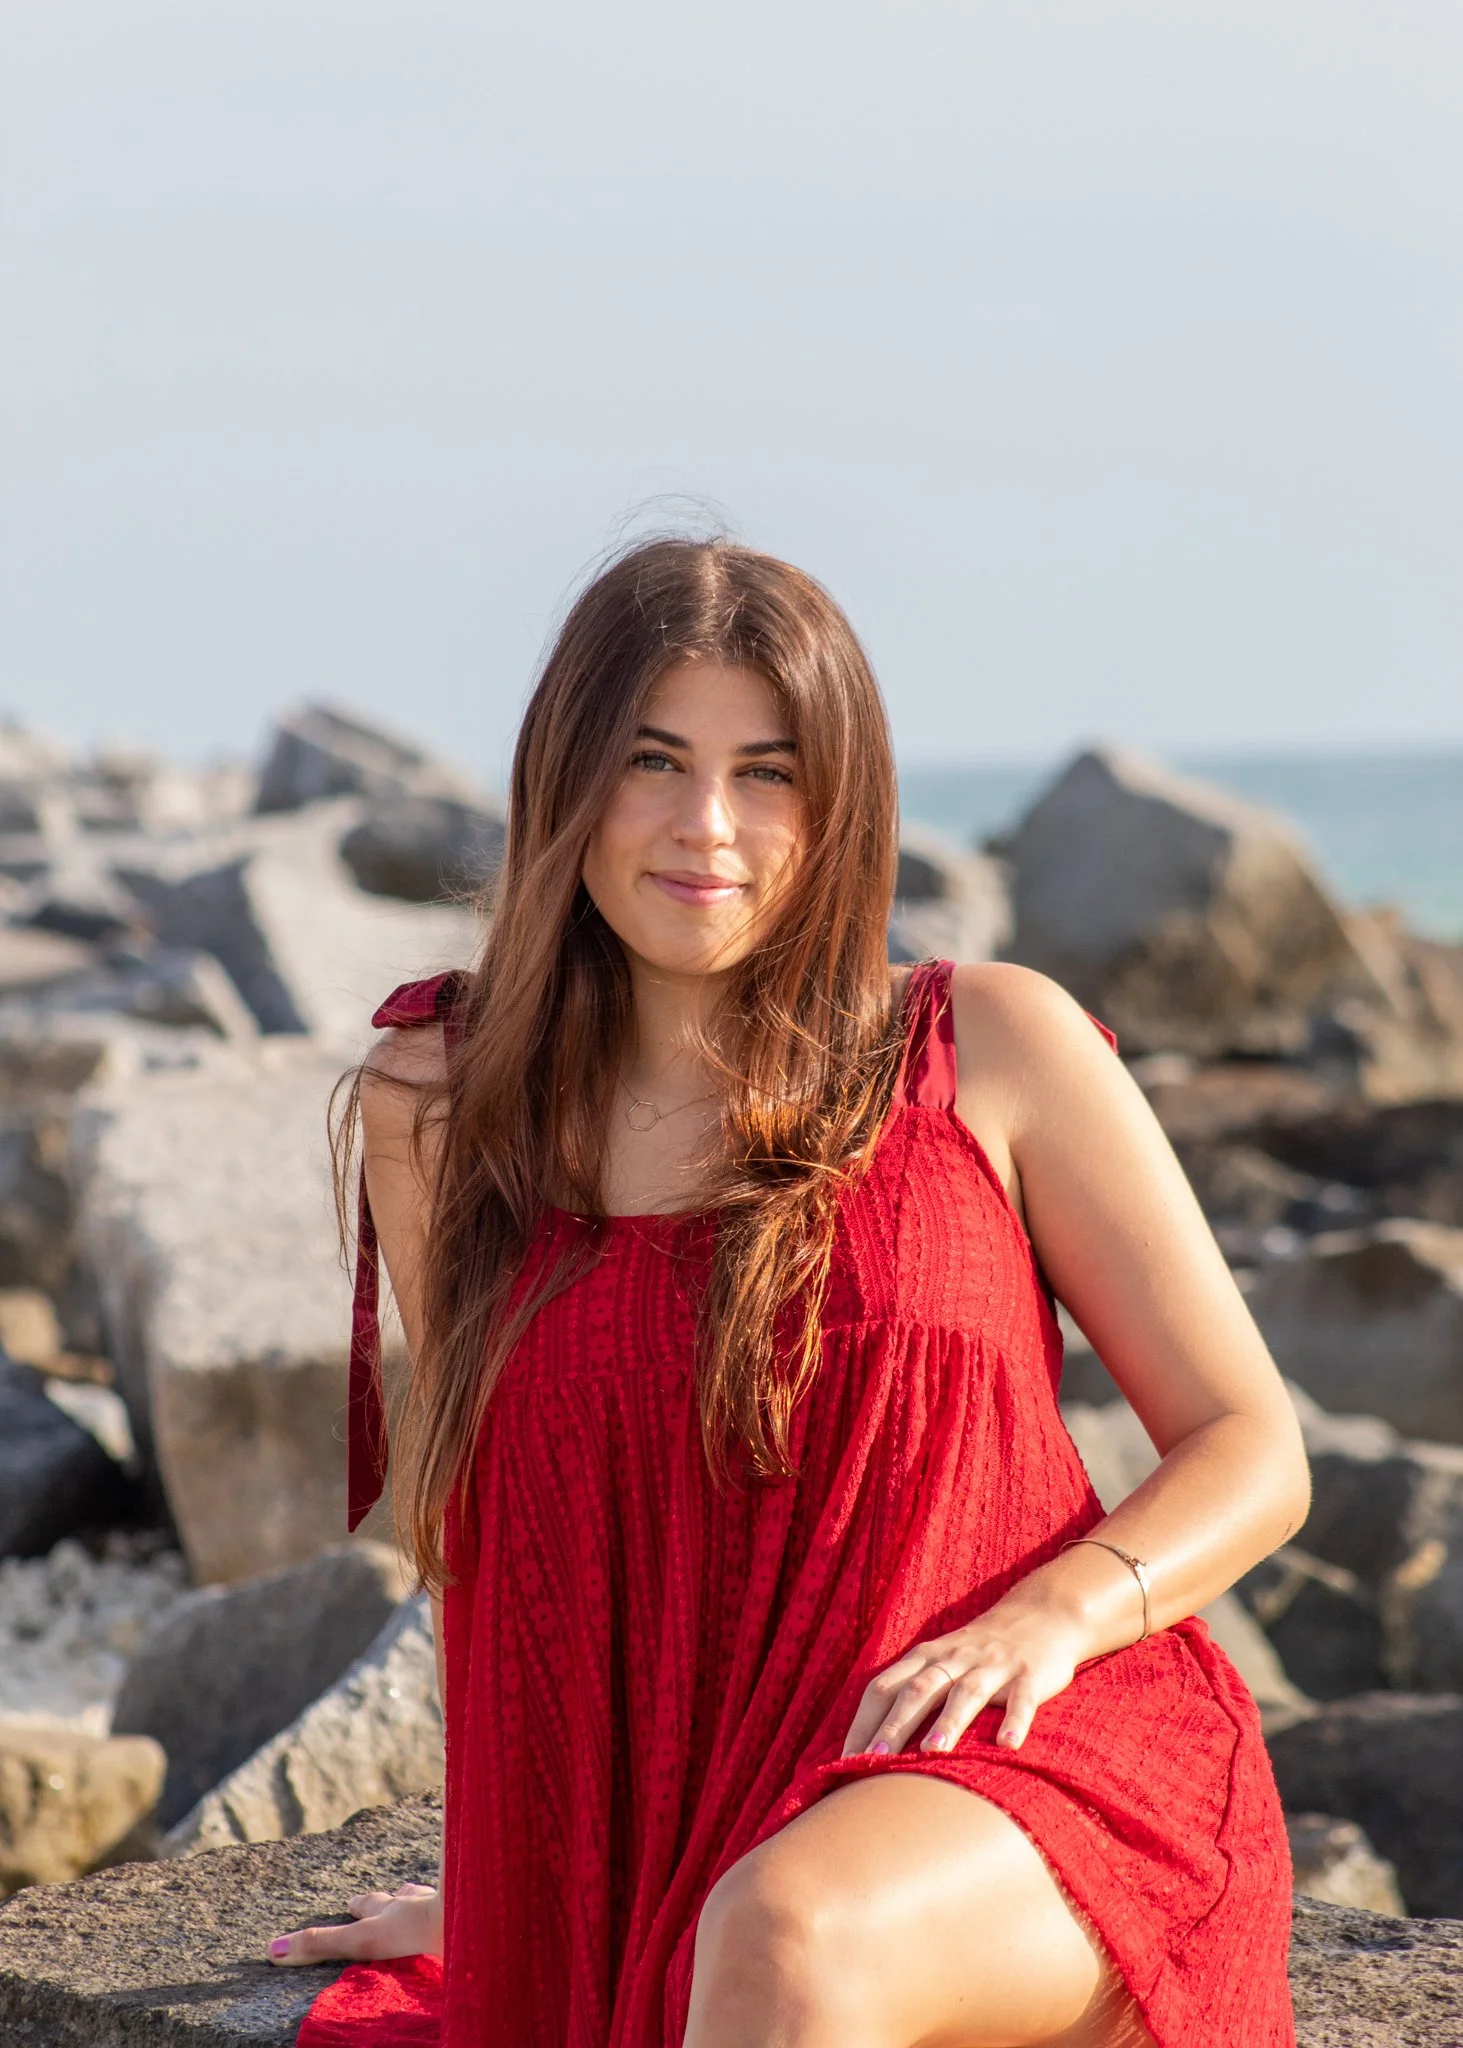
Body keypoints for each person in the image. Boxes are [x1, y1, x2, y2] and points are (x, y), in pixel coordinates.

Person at [269, 537, 1309, 2047]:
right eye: (652, 760)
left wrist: (1051, 1620)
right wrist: (538, 1880)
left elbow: (1249, 1444)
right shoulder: (439, 1106)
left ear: (840, 806)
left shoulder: (986, 1048)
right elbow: (520, 1548)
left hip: (1021, 1756)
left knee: (782, 1931)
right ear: (562, 782)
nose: (709, 826)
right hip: (710, 1806)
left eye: (768, 772)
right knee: (748, 1925)